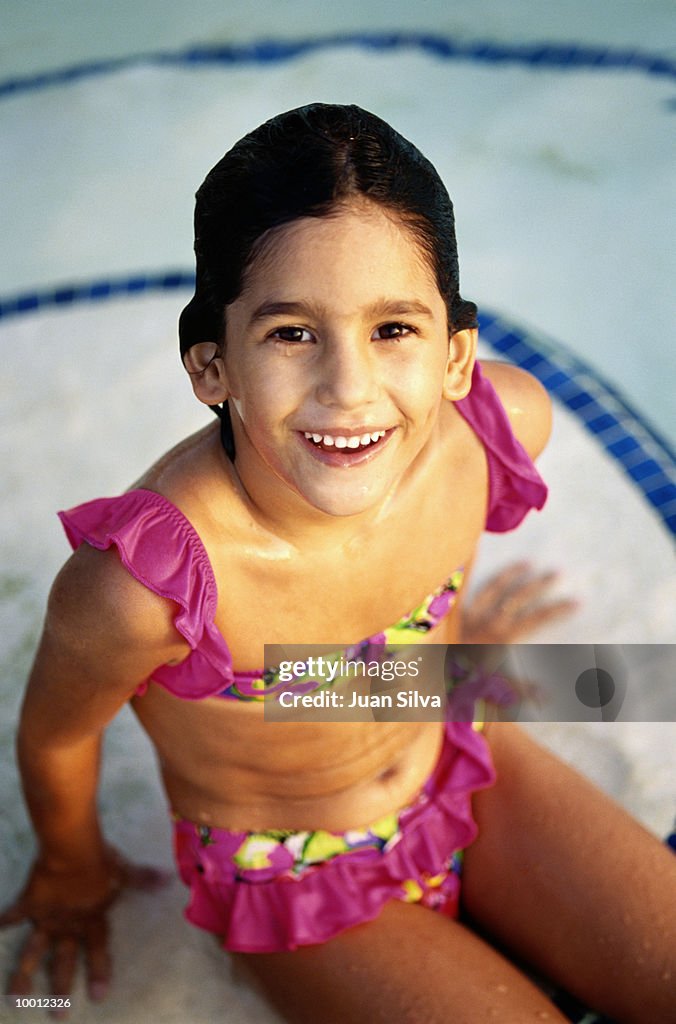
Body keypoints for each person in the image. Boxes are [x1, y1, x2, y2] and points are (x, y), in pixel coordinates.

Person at [1, 104, 674, 1024]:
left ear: (455, 355)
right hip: (287, 868)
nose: (349, 389)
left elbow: (377, 646)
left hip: (454, 755)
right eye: (291, 333)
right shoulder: (146, 587)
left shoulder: (495, 429)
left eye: (394, 329)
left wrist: (459, 650)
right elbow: (56, 735)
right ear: (211, 367)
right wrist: (70, 870)